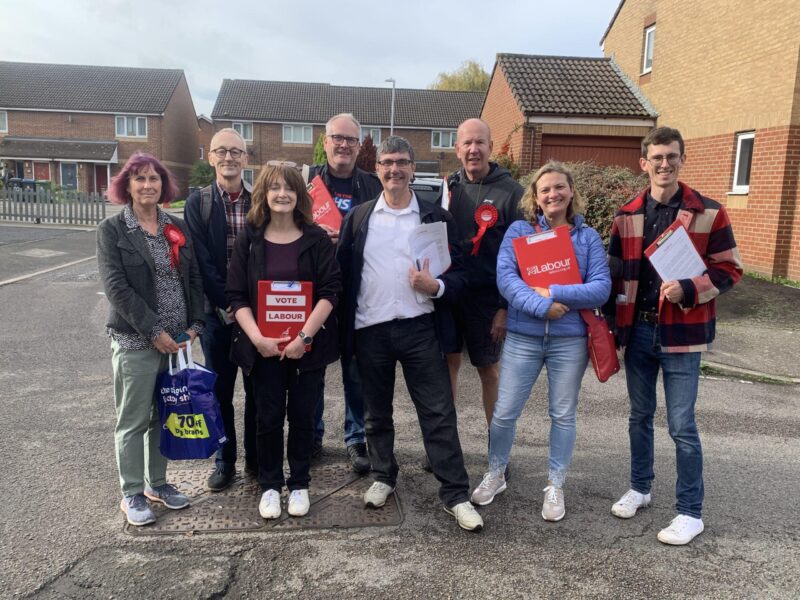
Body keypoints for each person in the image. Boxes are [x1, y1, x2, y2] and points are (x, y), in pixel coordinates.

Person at [337, 136, 484, 532]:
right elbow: (342, 275)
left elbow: (463, 275)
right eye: (386, 163)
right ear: (378, 169)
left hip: (421, 328)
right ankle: (383, 476)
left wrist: (435, 286)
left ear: (413, 168)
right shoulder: (360, 217)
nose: (394, 170)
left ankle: (455, 493)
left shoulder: (436, 218)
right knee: (376, 414)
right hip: (371, 329)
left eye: (401, 162)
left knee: (438, 414)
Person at [606, 127, 742, 545]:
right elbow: (613, 276)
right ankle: (640, 488)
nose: (665, 164)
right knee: (638, 417)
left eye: (672, 157)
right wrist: (611, 328)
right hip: (638, 330)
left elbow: (730, 269)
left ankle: (690, 511)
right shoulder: (626, 215)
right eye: (657, 158)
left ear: (682, 160)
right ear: (643, 163)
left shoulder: (709, 213)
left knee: (682, 425)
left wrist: (690, 288)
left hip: (682, 332)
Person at [470, 161, 611, 521]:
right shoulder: (519, 231)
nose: (553, 194)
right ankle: (496, 473)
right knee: (503, 413)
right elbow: (506, 278)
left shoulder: (588, 238)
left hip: (570, 341)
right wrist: (541, 305)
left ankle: (555, 484)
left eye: (560, 187)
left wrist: (553, 290)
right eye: (545, 189)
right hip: (524, 336)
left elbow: (601, 288)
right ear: (535, 196)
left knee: (562, 415)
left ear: (571, 192)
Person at [226, 164, 341, 520]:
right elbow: (236, 295)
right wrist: (258, 338)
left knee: (304, 417)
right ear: (264, 193)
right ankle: (271, 486)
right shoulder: (250, 238)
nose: (282, 194)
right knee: (268, 417)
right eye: (274, 187)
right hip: (263, 350)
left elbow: (330, 291)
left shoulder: (316, 239)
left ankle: (301, 483)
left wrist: (303, 338)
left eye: (289, 188)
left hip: (306, 350)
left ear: (299, 195)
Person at [96, 152, 204, 526]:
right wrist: (153, 332)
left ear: (163, 186)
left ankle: (157, 483)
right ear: (126, 185)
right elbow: (117, 289)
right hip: (137, 342)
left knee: (163, 416)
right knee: (133, 419)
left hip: (176, 344)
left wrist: (194, 327)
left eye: (154, 179)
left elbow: (192, 280)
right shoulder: (113, 231)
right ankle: (131, 492)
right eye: (139, 179)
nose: (147, 185)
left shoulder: (174, 226)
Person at [307, 113, 383, 473]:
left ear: (359, 145)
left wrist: (349, 239)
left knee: (355, 370)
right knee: (314, 366)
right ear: (325, 142)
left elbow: (385, 236)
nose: (344, 145)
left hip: (358, 292)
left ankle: (356, 438)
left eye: (351, 139)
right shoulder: (305, 184)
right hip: (316, 293)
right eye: (337, 137)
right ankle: (313, 434)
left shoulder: (373, 185)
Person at [185, 127, 258, 492]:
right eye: (221, 151)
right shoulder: (198, 203)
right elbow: (201, 263)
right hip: (218, 315)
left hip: (257, 317)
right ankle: (224, 461)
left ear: (245, 158)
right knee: (221, 394)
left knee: (259, 392)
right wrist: (229, 303)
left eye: (236, 151)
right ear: (210, 157)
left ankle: (257, 460)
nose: (229, 157)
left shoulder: (260, 200)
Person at [445, 119, 523, 456]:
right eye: (467, 143)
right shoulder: (452, 187)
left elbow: (523, 256)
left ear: (491, 147)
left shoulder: (513, 194)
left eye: (480, 143)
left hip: (490, 299)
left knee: (489, 370)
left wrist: (506, 307)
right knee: (447, 364)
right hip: (449, 294)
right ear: (457, 149)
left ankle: (498, 450)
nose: (473, 150)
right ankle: (445, 447)